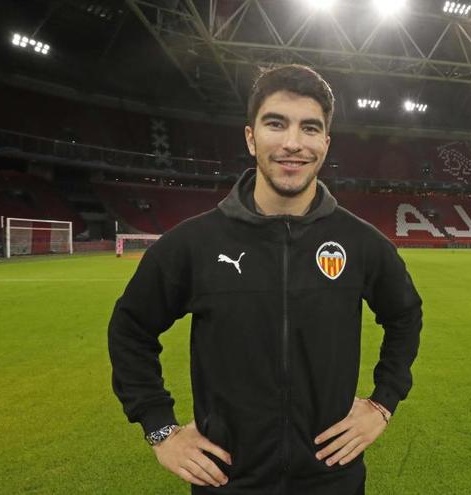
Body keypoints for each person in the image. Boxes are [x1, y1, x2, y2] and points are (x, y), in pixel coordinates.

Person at [108, 65, 423, 495]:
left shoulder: (362, 243)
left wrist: (382, 403)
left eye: (310, 128)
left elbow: (405, 315)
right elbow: (130, 328)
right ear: (251, 137)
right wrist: (160, 428)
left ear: (325, 144)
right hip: (229, 480)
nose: (293, 143)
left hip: (332, 480)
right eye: (276, 124)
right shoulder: (193, 244)